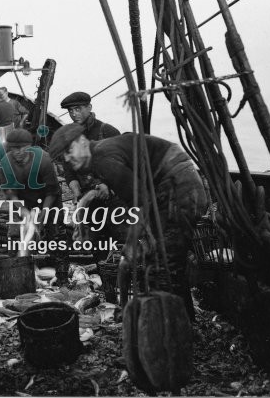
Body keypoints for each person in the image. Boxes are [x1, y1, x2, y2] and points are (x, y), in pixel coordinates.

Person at [49, 125, 207, 320]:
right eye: (62, 156)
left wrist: (133, 241)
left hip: (179, 190)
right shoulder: (101, 154)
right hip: (178, 188)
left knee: (162, 267)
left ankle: (170, 332)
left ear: (82, 141)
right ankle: (184, 323)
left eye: (69, 151)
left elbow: (140, 201)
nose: (66, 159)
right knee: (167, 262)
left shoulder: (102, 158)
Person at [59, 91, 121, 200]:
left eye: (78, 109)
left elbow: (120, 166)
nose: (74, 114)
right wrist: (75, 188)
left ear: (89, 107)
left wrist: (107, 184)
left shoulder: (107, 131)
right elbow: (68, 169)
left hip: (112, 197)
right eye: (70, 110)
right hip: (86, 196)